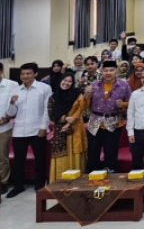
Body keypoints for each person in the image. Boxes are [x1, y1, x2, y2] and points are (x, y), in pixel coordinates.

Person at [7, 63, 51, 197]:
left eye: (28, 73)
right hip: (19, 129)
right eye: (22, 74)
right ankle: (18, 186)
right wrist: (11, 103)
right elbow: (10, 113)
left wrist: (44, 126)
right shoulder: (16, 90)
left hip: (37, 128)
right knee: (19, 159)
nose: (25, 76)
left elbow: (47, 109)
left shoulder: (44, 88)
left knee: (40, 158)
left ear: (35, 74)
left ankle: (39, 184)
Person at [84, 60, 131, 173]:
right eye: (106, 70)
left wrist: (123, 105)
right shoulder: (94, 85)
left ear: (116, 71)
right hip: (95, 122)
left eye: (111, 70)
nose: (108, 73)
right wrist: (86, 95)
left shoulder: (123, 85)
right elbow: (85, 106)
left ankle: (111, 177)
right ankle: (92, 175)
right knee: (93, 152)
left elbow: (131, 103)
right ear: (101, 71)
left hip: (114, 122)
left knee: (111, 152)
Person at [47, 71, 89, 182]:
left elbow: (81, 108)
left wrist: (70, 122)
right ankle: (60, 185)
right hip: (60, 131)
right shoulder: (53, 97)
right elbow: (52, 115)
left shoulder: (77, 93)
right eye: (65, 80)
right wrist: (65, 119)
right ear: (60, 81)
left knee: (75, 153)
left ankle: (77, 184)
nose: (67, 83)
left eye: (70, 81)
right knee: (61, 157)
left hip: (75, 129)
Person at [0, 61, 20, 194]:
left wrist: (7, 118)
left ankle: (3, 182)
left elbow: (16, 106)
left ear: (1, 72)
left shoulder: (12, 85)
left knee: (2, 156)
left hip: (3, 126)